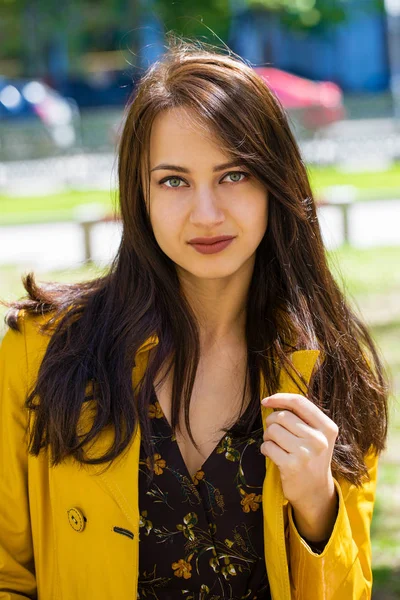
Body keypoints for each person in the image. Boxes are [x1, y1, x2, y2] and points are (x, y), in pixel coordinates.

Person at [0, 37, 389, 600]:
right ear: (142, 195)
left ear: (276, 183)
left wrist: (316, 505)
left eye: (233, 175)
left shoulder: (331, 370)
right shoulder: (41, 353)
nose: (206, 214)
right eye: (174, 181)